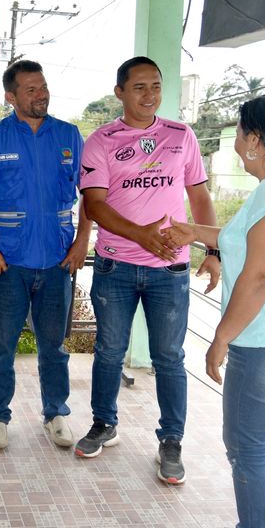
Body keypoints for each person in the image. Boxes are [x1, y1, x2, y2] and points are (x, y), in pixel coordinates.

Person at [162, 94, 265, 527]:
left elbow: (261, 276)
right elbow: (250, 239)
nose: (235, 141)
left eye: (238, 132)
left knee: (247, 447)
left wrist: (221, 338)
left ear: (254, 140)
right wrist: (195, 232)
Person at [76, 56, 219, 484]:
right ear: (119, 92)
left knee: (169, 357)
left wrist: (213, 249)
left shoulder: (181, 136)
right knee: (109, 350)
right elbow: (94, 205)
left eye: (155, 85)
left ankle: (171, 440)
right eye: (139, 87)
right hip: (115, 265)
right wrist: (141, 235)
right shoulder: (101, 140)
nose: (149, 94)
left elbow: (199, 196)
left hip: (169, 270)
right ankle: (104, 423)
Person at [0, 59, 91, 450]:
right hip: (8, 264)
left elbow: (91, 193)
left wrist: (82, 240)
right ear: (11, 96)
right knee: (3, 347)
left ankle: (56, 414)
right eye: (31, 89)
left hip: (56, 262)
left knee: (54, 347)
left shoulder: (69, 136)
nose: (41, 95)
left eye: (43, 87)